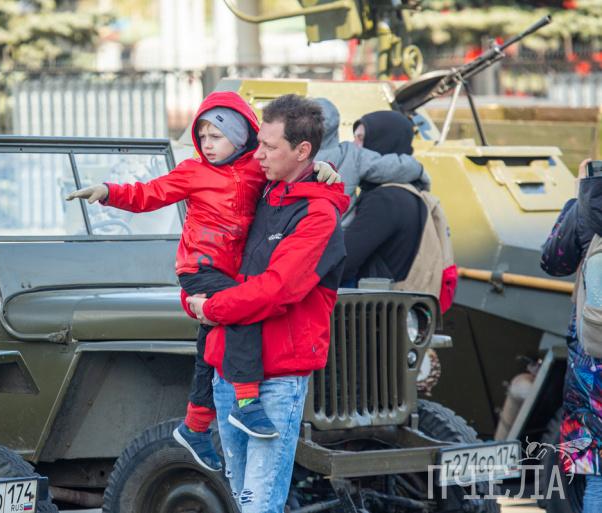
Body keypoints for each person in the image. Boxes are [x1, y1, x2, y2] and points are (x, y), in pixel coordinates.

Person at [66, 91, 340, 474]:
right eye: (203, 136)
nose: (207, 144)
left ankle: (194, 427)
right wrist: (110, 192)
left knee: (210, 344)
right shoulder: (193, 172)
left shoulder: (256, 168)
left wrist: (322, 168)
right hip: (200, 266)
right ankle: (247, 401)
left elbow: (290, 176)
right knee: (243, 310)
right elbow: (150, 193)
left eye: (217, 136)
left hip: (232, 269)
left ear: (241, 138)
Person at [187, 94, 348, 513]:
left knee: (258, 504)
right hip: (228, 367)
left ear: (303, 151)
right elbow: (211, 251)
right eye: (258, 143)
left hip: (276, 376)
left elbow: (279, 289)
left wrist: (210, 309)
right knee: (245, 499)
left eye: (269, 147)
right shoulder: (259, 191)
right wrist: (193, 298)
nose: (257, 155)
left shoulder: (318, 215)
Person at [541, 159, 602, 512]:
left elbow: (553, 261)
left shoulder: (585, 206)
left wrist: (579, 197)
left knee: (595, 473)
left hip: (591, 363)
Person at [339, 111, 427, 287]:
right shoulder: (406, 189)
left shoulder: (384, 199)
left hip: (374, 300)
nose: (354, 146)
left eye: (361, 138)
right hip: (393, 297)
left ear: (382, 141)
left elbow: (344, 262)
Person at [314, 98, 430, 196]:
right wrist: (420, 170)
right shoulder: (350, 155)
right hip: (338, 216)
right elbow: (393, 167)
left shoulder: (302, 155)